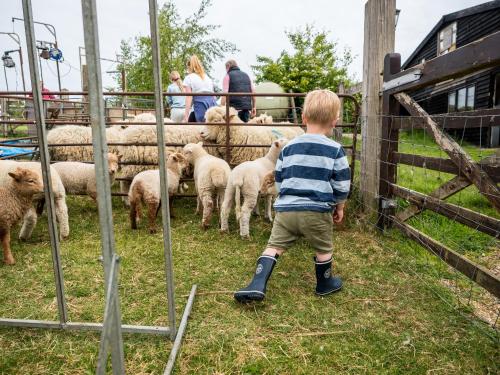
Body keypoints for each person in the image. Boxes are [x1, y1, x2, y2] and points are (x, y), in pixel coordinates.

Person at [234, 89, 350, 303]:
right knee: (323, 248)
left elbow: (279, 179)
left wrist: (285, 197)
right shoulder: (335, 149)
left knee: (273, 246)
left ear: (304, 118)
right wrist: (340, 206)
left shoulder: (288, 148)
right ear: (335, 121)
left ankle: (257, 283)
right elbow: (342, 184)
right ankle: (324, 283)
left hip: (286, 211)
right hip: (317, 211)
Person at [182, 55, 216, 122]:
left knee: (193, 128)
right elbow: (214, 96)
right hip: (212, 106)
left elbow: (189, 97)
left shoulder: (189, 78)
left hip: (200, 106)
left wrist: (186, 116)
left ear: (189, 67)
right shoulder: (207, 77)